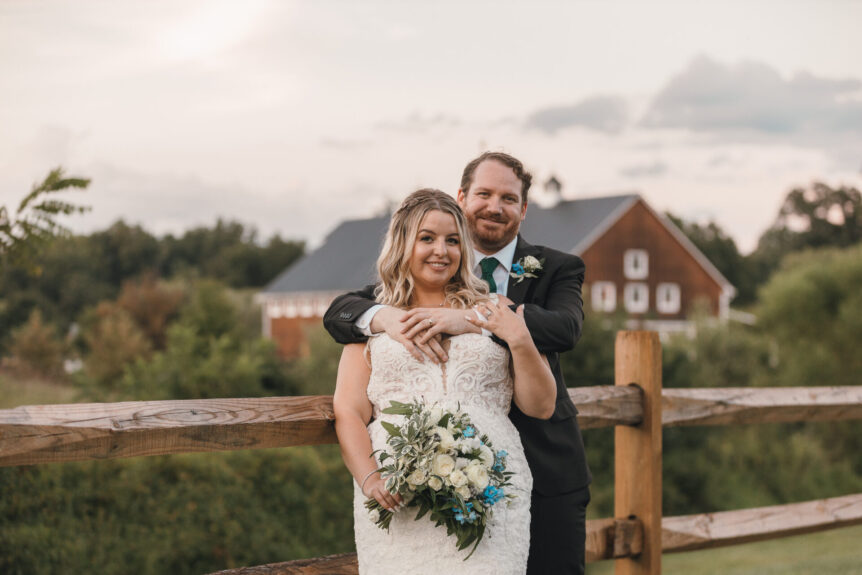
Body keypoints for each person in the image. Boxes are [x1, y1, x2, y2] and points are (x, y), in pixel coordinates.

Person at [325, 152, 592, 574]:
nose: (441, 250)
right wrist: (386, 319)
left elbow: (566, 329)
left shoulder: (527, 288)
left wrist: (473, 319)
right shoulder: (380, 313)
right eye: (484, 193)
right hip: (402, 491)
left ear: (524, 209)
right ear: (463, 199)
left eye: (508, 197)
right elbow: (346, 384)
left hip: (516, 476)